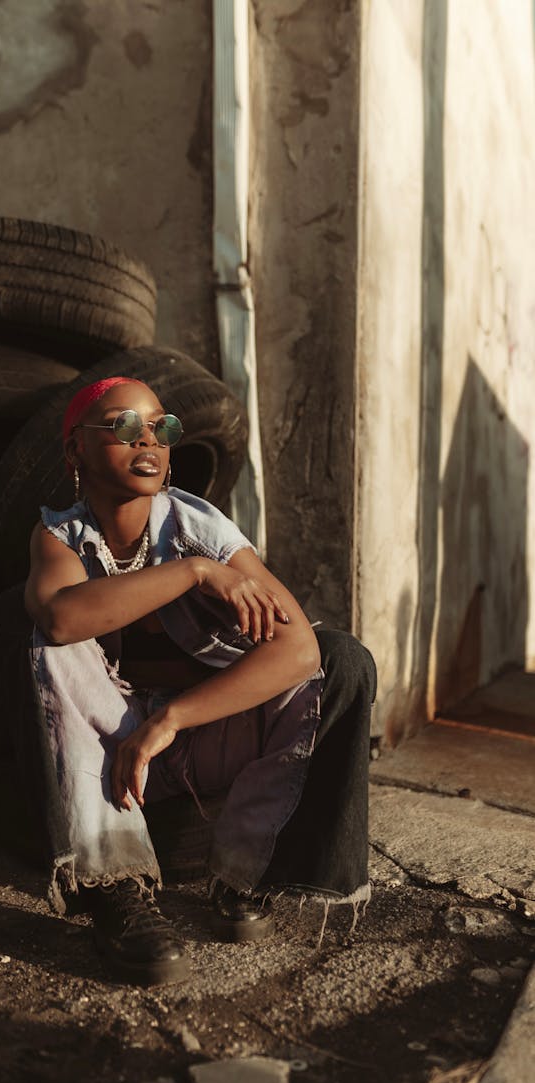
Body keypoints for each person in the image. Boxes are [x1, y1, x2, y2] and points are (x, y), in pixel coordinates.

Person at [24, 376, 376, 986]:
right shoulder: (61, 538)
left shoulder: (202, 527)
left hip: (198, 741)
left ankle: (248, 879)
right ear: (76, 451)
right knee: (50, 641)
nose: (151, 441)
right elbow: (59, 617)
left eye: (163, 427)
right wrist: (191, 575)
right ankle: (116, 888)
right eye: (126, 426)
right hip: (112, 761)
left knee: (341, 659)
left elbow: (298, 650)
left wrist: (171, 719)